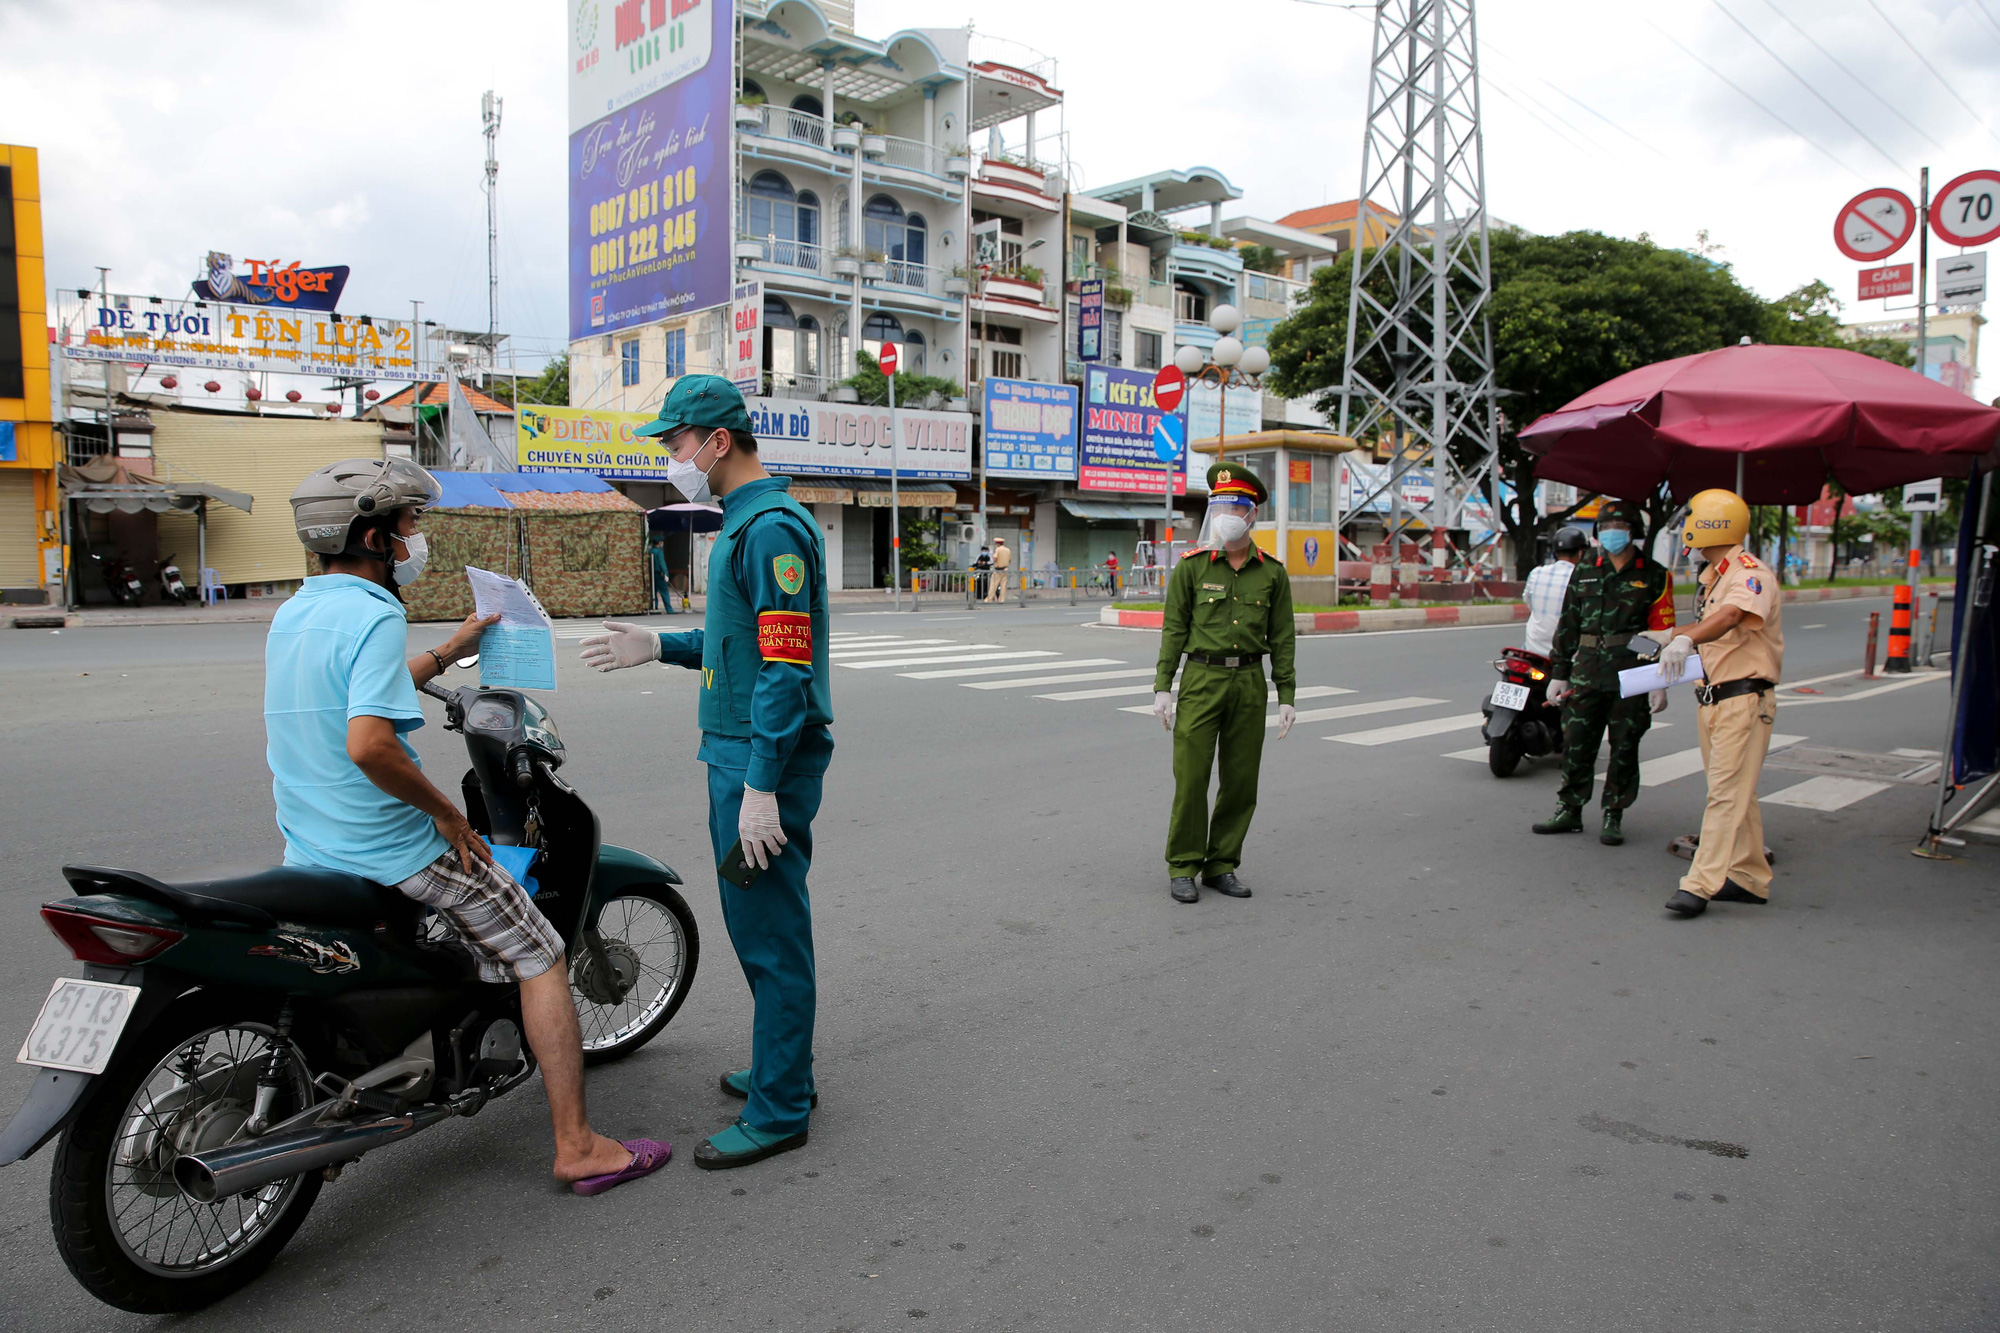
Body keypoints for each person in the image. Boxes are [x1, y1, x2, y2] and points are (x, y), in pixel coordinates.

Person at [273, 458, 665, 1196]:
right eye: (408, 524)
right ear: (372, 533)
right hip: (386, 843)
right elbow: (369, 743)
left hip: (311, 840)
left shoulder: (300, 609)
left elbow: (366, 686)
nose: (416, 537)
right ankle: (578, 1146)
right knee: (542, 952)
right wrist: (452, 817)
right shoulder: (374, 610)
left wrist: (452, 648)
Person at [579, 375, 831, 1168]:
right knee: (759, 926)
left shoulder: (770, 529)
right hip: (739, 752)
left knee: (770, 934)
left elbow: (786, 672)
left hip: (761, 762)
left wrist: (761, 785)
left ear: (718, 441)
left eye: (677, 442)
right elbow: (740, 645)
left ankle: (782, 1105)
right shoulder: (747, 522)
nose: (673, 456)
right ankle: (782, 1068)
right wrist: (660, 645)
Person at [1152, 464, 1297, 903]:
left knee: (1240, 781)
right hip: (1201, 679)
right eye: (1218, 505)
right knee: (1191, 777)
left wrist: (1286, 695)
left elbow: (1283, 638)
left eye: (1234, 506)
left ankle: (1221, 864)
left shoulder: (1272, 572)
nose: (1224, 514)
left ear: (1251, 515)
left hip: (1249, 681)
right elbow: (1173, 629)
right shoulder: (1192, 568)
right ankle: (1183, 865)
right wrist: (1163, 685)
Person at [1655, 489, 1784, 917]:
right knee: (1733, 793)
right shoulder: (1715, 574)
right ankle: (1749, 878)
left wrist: (1686, 637)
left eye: (1692, 518)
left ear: (1711, 523)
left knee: (1725, 795)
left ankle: (1701, 882)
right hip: (1714, 699)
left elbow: (1729, 618)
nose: (1686, 526)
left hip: (1742, 700)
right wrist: (1668, 640)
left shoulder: (1749, 573)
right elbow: (1711, 624)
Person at [1533, 500, 1674, 847]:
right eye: (1606, 529)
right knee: (1577, 743)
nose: (1612, 534)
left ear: (1633, 532)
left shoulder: (1654, 575)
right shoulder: (1584, 570)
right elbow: (1568, 623)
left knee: (1625, 745)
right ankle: (1569, 809)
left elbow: (1663, 630)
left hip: (1632, 670)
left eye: (1619, 528)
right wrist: (1559, 672)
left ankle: (1614, 813)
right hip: (1587, 670)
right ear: (1597, 534)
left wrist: (1660, 680)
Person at [1522, 526, 1587, 657]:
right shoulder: (1583, 577)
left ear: (1555, 552)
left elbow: (1528, 602)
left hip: (1533, 649)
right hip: (1568, 654)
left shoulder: (1537, 573)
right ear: (1580, 553)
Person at [649, 535, 675, 614]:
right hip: (659, 574)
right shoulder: (659, 552)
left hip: (651, 574)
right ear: (659, 543)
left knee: (653, 592)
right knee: (664, 592)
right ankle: (669, 609)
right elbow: (662, 563)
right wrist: (666, 573)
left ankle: (654, 606)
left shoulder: (650, 551)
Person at [987, 535, 1013, 603]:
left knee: (993, 584)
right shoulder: (1008, 550)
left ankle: (989, 599)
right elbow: (1010, 560)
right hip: (1005, 569)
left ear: (997, 543)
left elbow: (995, 558)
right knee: (1003, 585)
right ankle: (1002, 599)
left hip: (998, 569)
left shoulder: (998, 549)